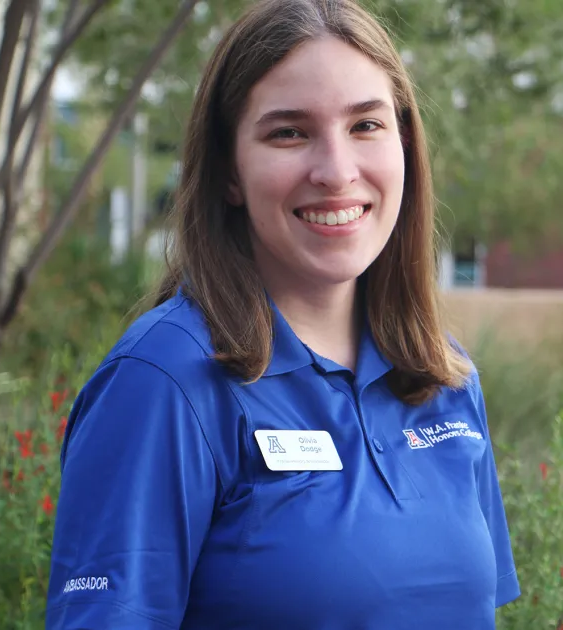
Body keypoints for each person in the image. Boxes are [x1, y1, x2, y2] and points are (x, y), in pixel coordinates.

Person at [45, 0, 520, 628]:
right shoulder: (163, 384)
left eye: (366, 126)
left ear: (405, 145)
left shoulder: (446, 376)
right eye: (289, 132)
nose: (337, 172)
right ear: (229, 173)